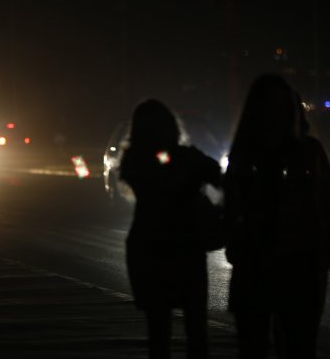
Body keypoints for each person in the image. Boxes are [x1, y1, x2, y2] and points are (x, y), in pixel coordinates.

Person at [224, 74, 330, 359]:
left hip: (297, 265)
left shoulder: (306, 153)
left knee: (293, 344)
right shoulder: (251, 155)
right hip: (268, 265)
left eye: (281, 108)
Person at [118, 99, 221, 359]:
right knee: (195, 330)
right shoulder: (187, 158)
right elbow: (218, 177)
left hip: (150, 250)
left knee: (159, 331)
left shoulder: (134, 160)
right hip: (185, 249)